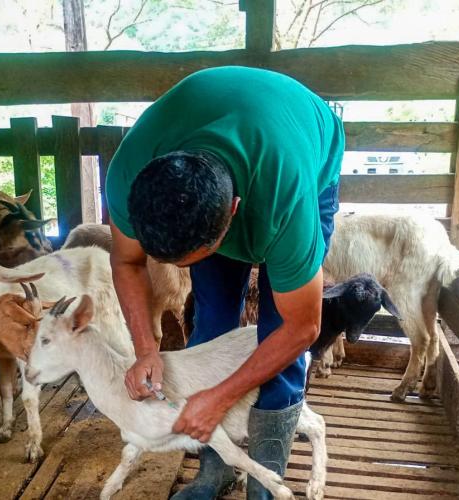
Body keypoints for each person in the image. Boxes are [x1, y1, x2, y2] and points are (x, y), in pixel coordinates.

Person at [106, 65, 343, 499]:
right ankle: (214, 473)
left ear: (232, 214)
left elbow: (302, 329)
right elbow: (127, 262)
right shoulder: (128, 177)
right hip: (218, 154)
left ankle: (264, 484)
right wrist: (145, 350)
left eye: (194, 258)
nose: (180, 269)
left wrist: (218, 397)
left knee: (278, 333)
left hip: (301, 145)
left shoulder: (285, 200)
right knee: (211, 321)